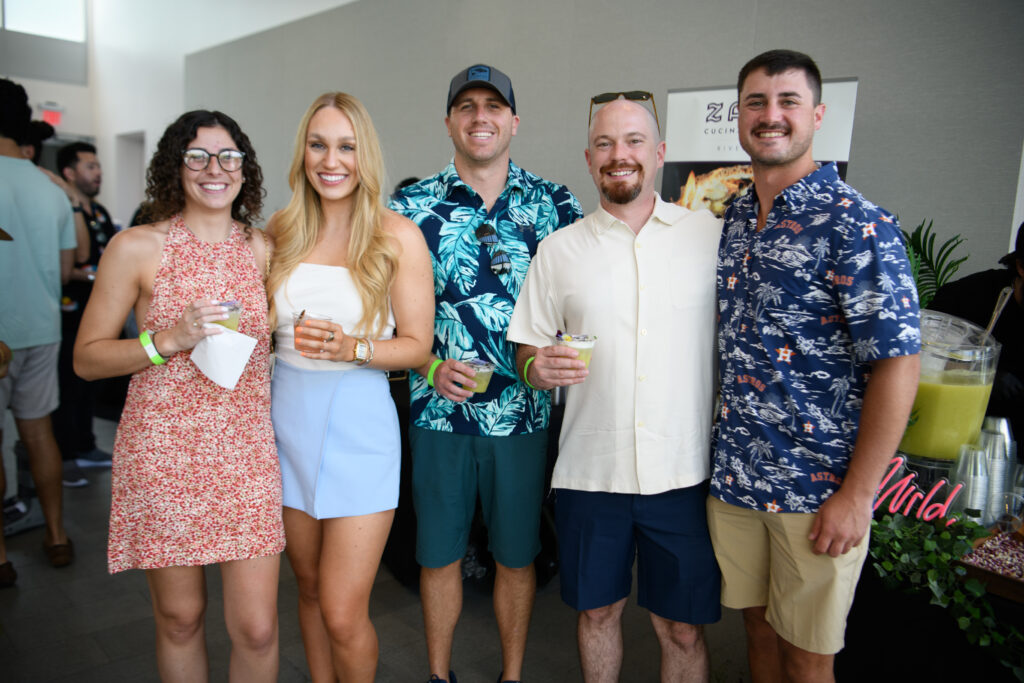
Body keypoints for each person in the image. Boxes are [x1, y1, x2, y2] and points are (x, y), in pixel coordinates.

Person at [708, 49, 921, 682]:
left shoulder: (858, 225)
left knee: (809, 657)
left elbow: (898, 366)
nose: (770, 116)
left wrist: (858, 497)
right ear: (739, 115)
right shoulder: (737, 218)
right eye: (756, 102)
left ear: (818, 115)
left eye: (788, 102)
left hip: (817, 489)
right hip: (738, 478)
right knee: (757, 628)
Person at [508, 95, 723, 682]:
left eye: (632, 141)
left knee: (681, 627)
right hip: (590, 472)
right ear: (588, 157)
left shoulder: (709, 237)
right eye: (604, 144)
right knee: (598, 612)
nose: (618, 155)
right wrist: (536, 368)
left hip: (682, 471)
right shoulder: (558, 251)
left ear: (658, 154)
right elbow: (526, 349)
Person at [73, 110, 284, 681]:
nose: (214, 169)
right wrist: (168, 339)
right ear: (175, 166)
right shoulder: (137, 247)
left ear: (245, 169)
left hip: (245, 453)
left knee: (258, 626)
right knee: (181, 618)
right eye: (198, 156)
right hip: (164, 453)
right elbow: (87, 358)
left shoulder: (263, 249)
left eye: (228, 157)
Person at [389, 64, 583, 683]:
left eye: (493, 106)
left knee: (517, 558)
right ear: (449, 121)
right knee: (438, 556)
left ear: (514, 121)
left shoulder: (556, 205)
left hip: (523, 416)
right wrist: (425, 362)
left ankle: (512, 675)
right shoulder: (409, 208)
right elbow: (379, 308)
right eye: (467, 106)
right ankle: (439, 675)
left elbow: (581, 300)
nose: (480, 116)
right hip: (437, 414)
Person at [266, 92, 433, 683]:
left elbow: (417, 346)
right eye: (317, 144)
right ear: (302, 152)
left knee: (341, 609)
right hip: (285, 422)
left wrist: (352, 347)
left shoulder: (396, 236)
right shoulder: (279, 231)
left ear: (366, 155)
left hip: (360, 428)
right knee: (307, 589)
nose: (329, 160)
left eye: (345, 146)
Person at [0, 77, 77, 588]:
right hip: (43, 325)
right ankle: (55, 535)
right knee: (39, 433)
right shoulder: (50, 188)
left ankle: (1, 556)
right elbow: (68, 267)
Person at [54, 141, 118, 485]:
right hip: (70, 310)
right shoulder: (68, 208)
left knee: (87, 387)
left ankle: (86, 444)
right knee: (67, 382)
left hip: (100, 306)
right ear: (69, 173)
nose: (98, 173)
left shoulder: (101, 212)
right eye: (90, 166)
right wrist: (75, 203)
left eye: (98, 166)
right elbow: (78, 257)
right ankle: (66, 456)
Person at [930, 221, 1024, 444]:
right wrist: (985, 375)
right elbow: (926, 360)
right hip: (957, 439)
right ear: (1021, 267)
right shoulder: (967, 296)